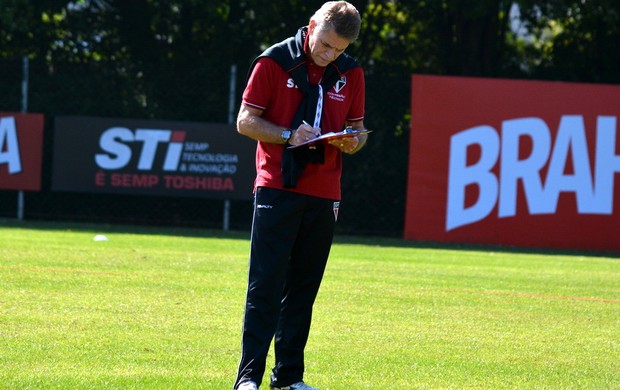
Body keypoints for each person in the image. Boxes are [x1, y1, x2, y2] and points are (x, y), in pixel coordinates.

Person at [233, 2, 367, 389]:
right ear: (311, 27)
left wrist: (350, 142)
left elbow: (357, 131)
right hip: (277, 184)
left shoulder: (352, 72)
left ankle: (289, 378)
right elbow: (245, 122)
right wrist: (288, 134)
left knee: (304, 290)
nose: (328, 55)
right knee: (266, 285)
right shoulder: (273, 62)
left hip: (325, 191)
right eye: (324, 45)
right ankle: (248, 379)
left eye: (337, 50)